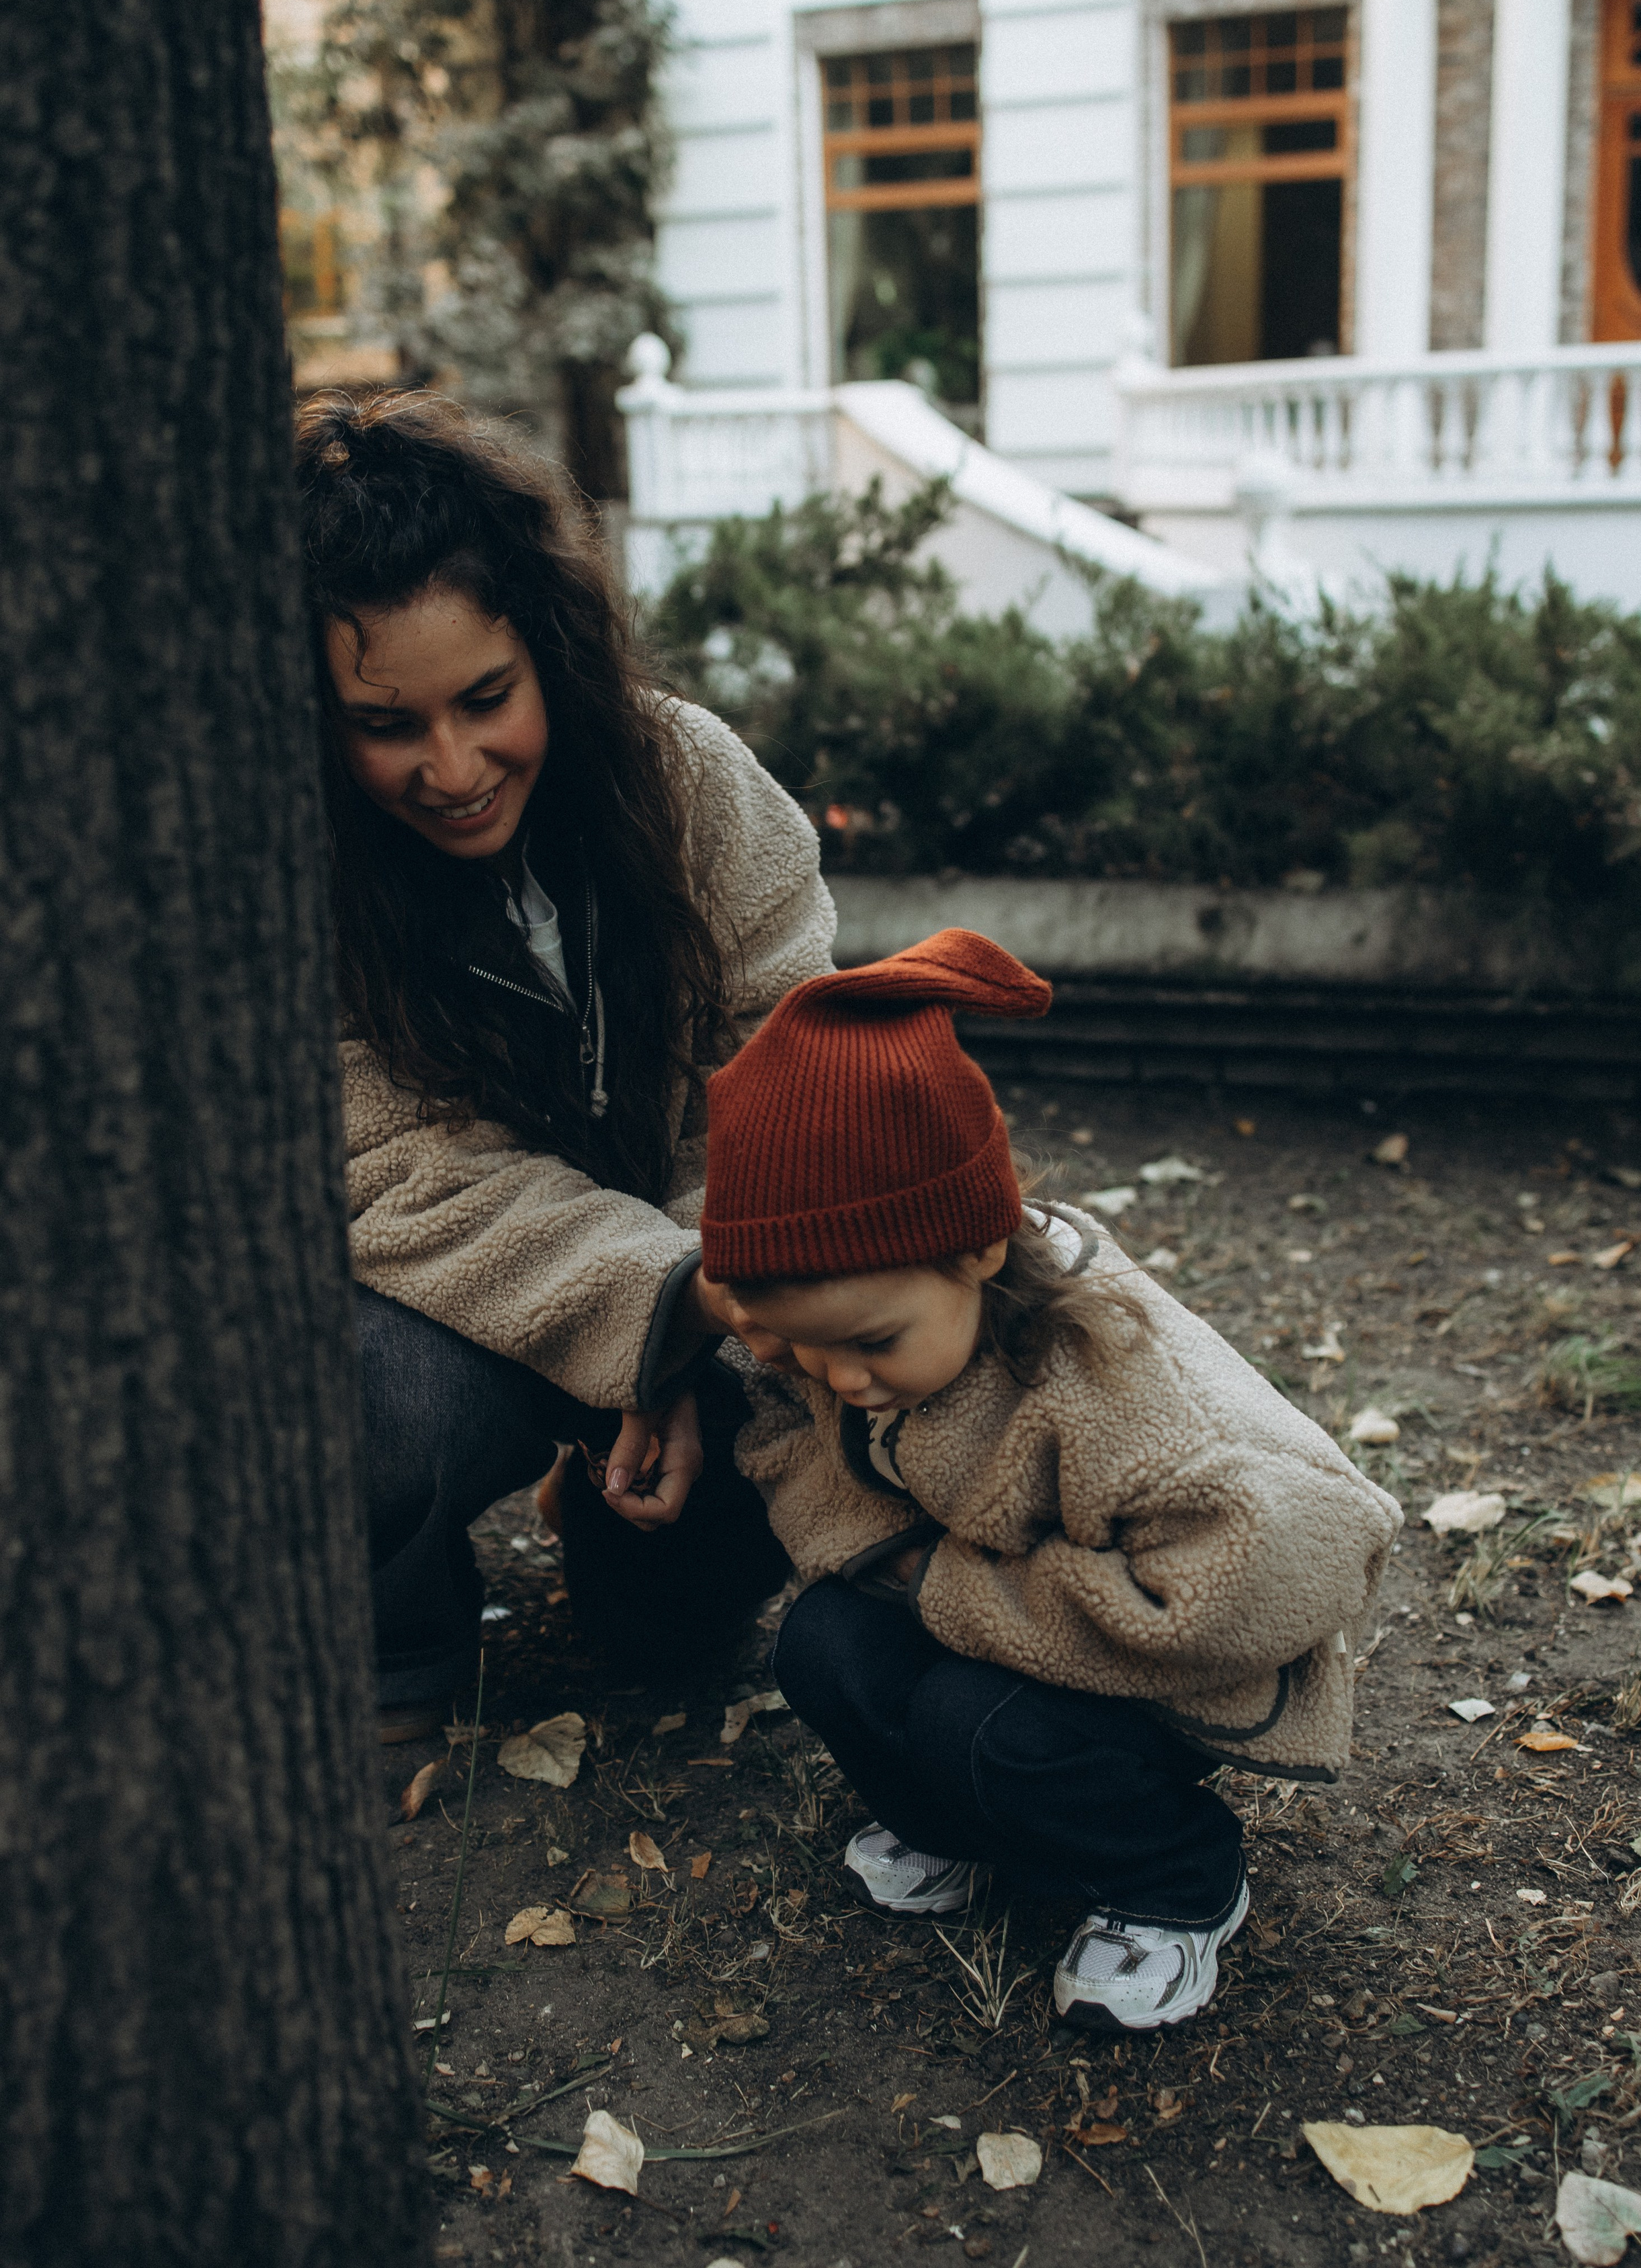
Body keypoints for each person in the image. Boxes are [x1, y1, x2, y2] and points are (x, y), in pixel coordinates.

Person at [698, 930, 1402, 2032]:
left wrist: (946, 1588)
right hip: (989, 1613)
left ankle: (1176, 1877)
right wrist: (892, 1558)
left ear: (977, 1250)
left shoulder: (1106, 1384)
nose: (844, 1380)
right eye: (806, 1347)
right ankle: (958, 1826)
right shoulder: (850, 1331)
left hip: (1158, 1677)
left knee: (983, 1723)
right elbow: (785, 1436)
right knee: (821, 1643)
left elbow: (1271, 1566)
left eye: (872, 1344)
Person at [295, 388, 835, 1739]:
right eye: (387, 725)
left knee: (679, 1614)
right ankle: (395, 1647)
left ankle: (616, 1527)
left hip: (701, 1288)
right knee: (366, 1390)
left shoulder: (691, 782)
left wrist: (687, 1342)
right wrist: (654, 1307)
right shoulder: (293, 881)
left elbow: (786, 1079)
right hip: (449, 1314)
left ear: (549, 646)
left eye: (487, 699)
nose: (453, 766)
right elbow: (392, 1171)